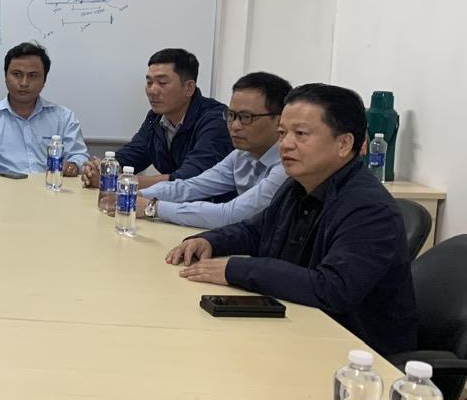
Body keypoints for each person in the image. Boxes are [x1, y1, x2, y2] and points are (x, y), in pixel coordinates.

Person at [166, 84, 416, 356]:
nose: (285, 144)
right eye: (282, 133)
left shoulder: (368, 208)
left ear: (344, 143)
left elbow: (332, 288)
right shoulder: (298, 185)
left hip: (356, 354)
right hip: (298, 327)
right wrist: (209, 241)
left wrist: (235, 269)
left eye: (301, 134)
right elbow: (257, 231)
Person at [130, 72, 291, 230]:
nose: (235, 126)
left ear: (280, 121)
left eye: (246, 117)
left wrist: (153, 207)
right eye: (231, 115)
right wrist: (139, 195)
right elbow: (191, 187)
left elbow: (231, 215)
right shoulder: (241, 155)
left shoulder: (287, 165)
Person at [81, 48, 232, 191]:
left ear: (189, 88)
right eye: (149, 83)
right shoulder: (156, 118)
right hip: (173, 204)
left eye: (162, 83)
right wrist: (102, 169)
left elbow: (189, 179)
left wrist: (118, 181)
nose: (152, 91)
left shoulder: (216, 120)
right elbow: (133, 154)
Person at [0, 41, 89, 175]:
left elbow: (79, 156)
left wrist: (73, 166)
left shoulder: (64, 118)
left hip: (50, 186)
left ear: (44, 80)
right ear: (5, 77)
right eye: (16, 74)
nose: (24, 83)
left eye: (32, 76)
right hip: (4, 187)